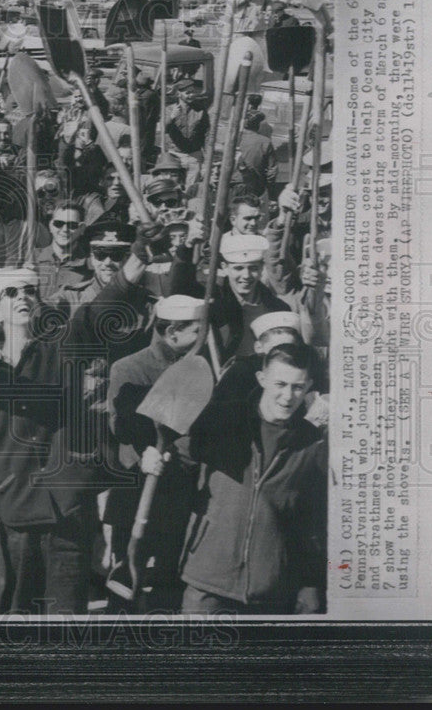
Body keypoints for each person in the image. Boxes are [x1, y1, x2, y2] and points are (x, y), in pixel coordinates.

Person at [0, 220, 167, 615]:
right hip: (15, 506)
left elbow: (101, 310)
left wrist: (138, 257)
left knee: (66, 614)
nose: (24, 298)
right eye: (11, 294)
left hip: (66, 505)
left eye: (30, 291)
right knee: (18, 610)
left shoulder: (61, 344)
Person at [173, 343, 327, 614]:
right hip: (208, 584)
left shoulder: (312, 445)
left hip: (272, 592)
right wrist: (153, 458)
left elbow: (312, 526)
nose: (287, 396)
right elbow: (177, 465)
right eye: (280, 384)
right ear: (262, 379)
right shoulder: (225, 423)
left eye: (298, 387)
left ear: (309, 387)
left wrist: (311, 585)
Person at [105, 294, 206, 612]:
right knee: (124, 586)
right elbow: (118, 426)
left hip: (179, 498)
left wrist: (180, 455)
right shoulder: (129, 368)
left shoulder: (202, 369)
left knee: (167, 586)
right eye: (197, 330)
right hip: (136, 496)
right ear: (173, 331)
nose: (204, 337)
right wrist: (141, 456)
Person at [211, 234, 290, 361]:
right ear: (225, 268)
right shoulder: (215, 308)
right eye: (238, 268)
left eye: (253, 268)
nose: (246, 275)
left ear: (261, 269)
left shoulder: (279, 309)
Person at [32, 203, 91, 297]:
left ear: (82, 229)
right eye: (58, 224)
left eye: (72, 225)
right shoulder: (31, 259)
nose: (64, 229)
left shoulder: (90, 266)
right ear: (50, 226)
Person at [164, 83, 210, 190]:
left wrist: (207, 159)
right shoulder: (169, 109)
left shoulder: (201, 110)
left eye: (193, 92)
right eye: (187, 92)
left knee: (192, 188)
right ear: (178, 93)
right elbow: (163, 129)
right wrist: (171, 117)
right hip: (175, 155)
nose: (191, 95)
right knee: (172, 187)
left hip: (194, 155)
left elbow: (207, 134)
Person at [236, 112, 278, 197]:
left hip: (232, 184)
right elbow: (272, 171)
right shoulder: (265, 142)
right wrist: (271, 193)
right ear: (258, 125)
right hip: (255, 187)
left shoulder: (234, 138)